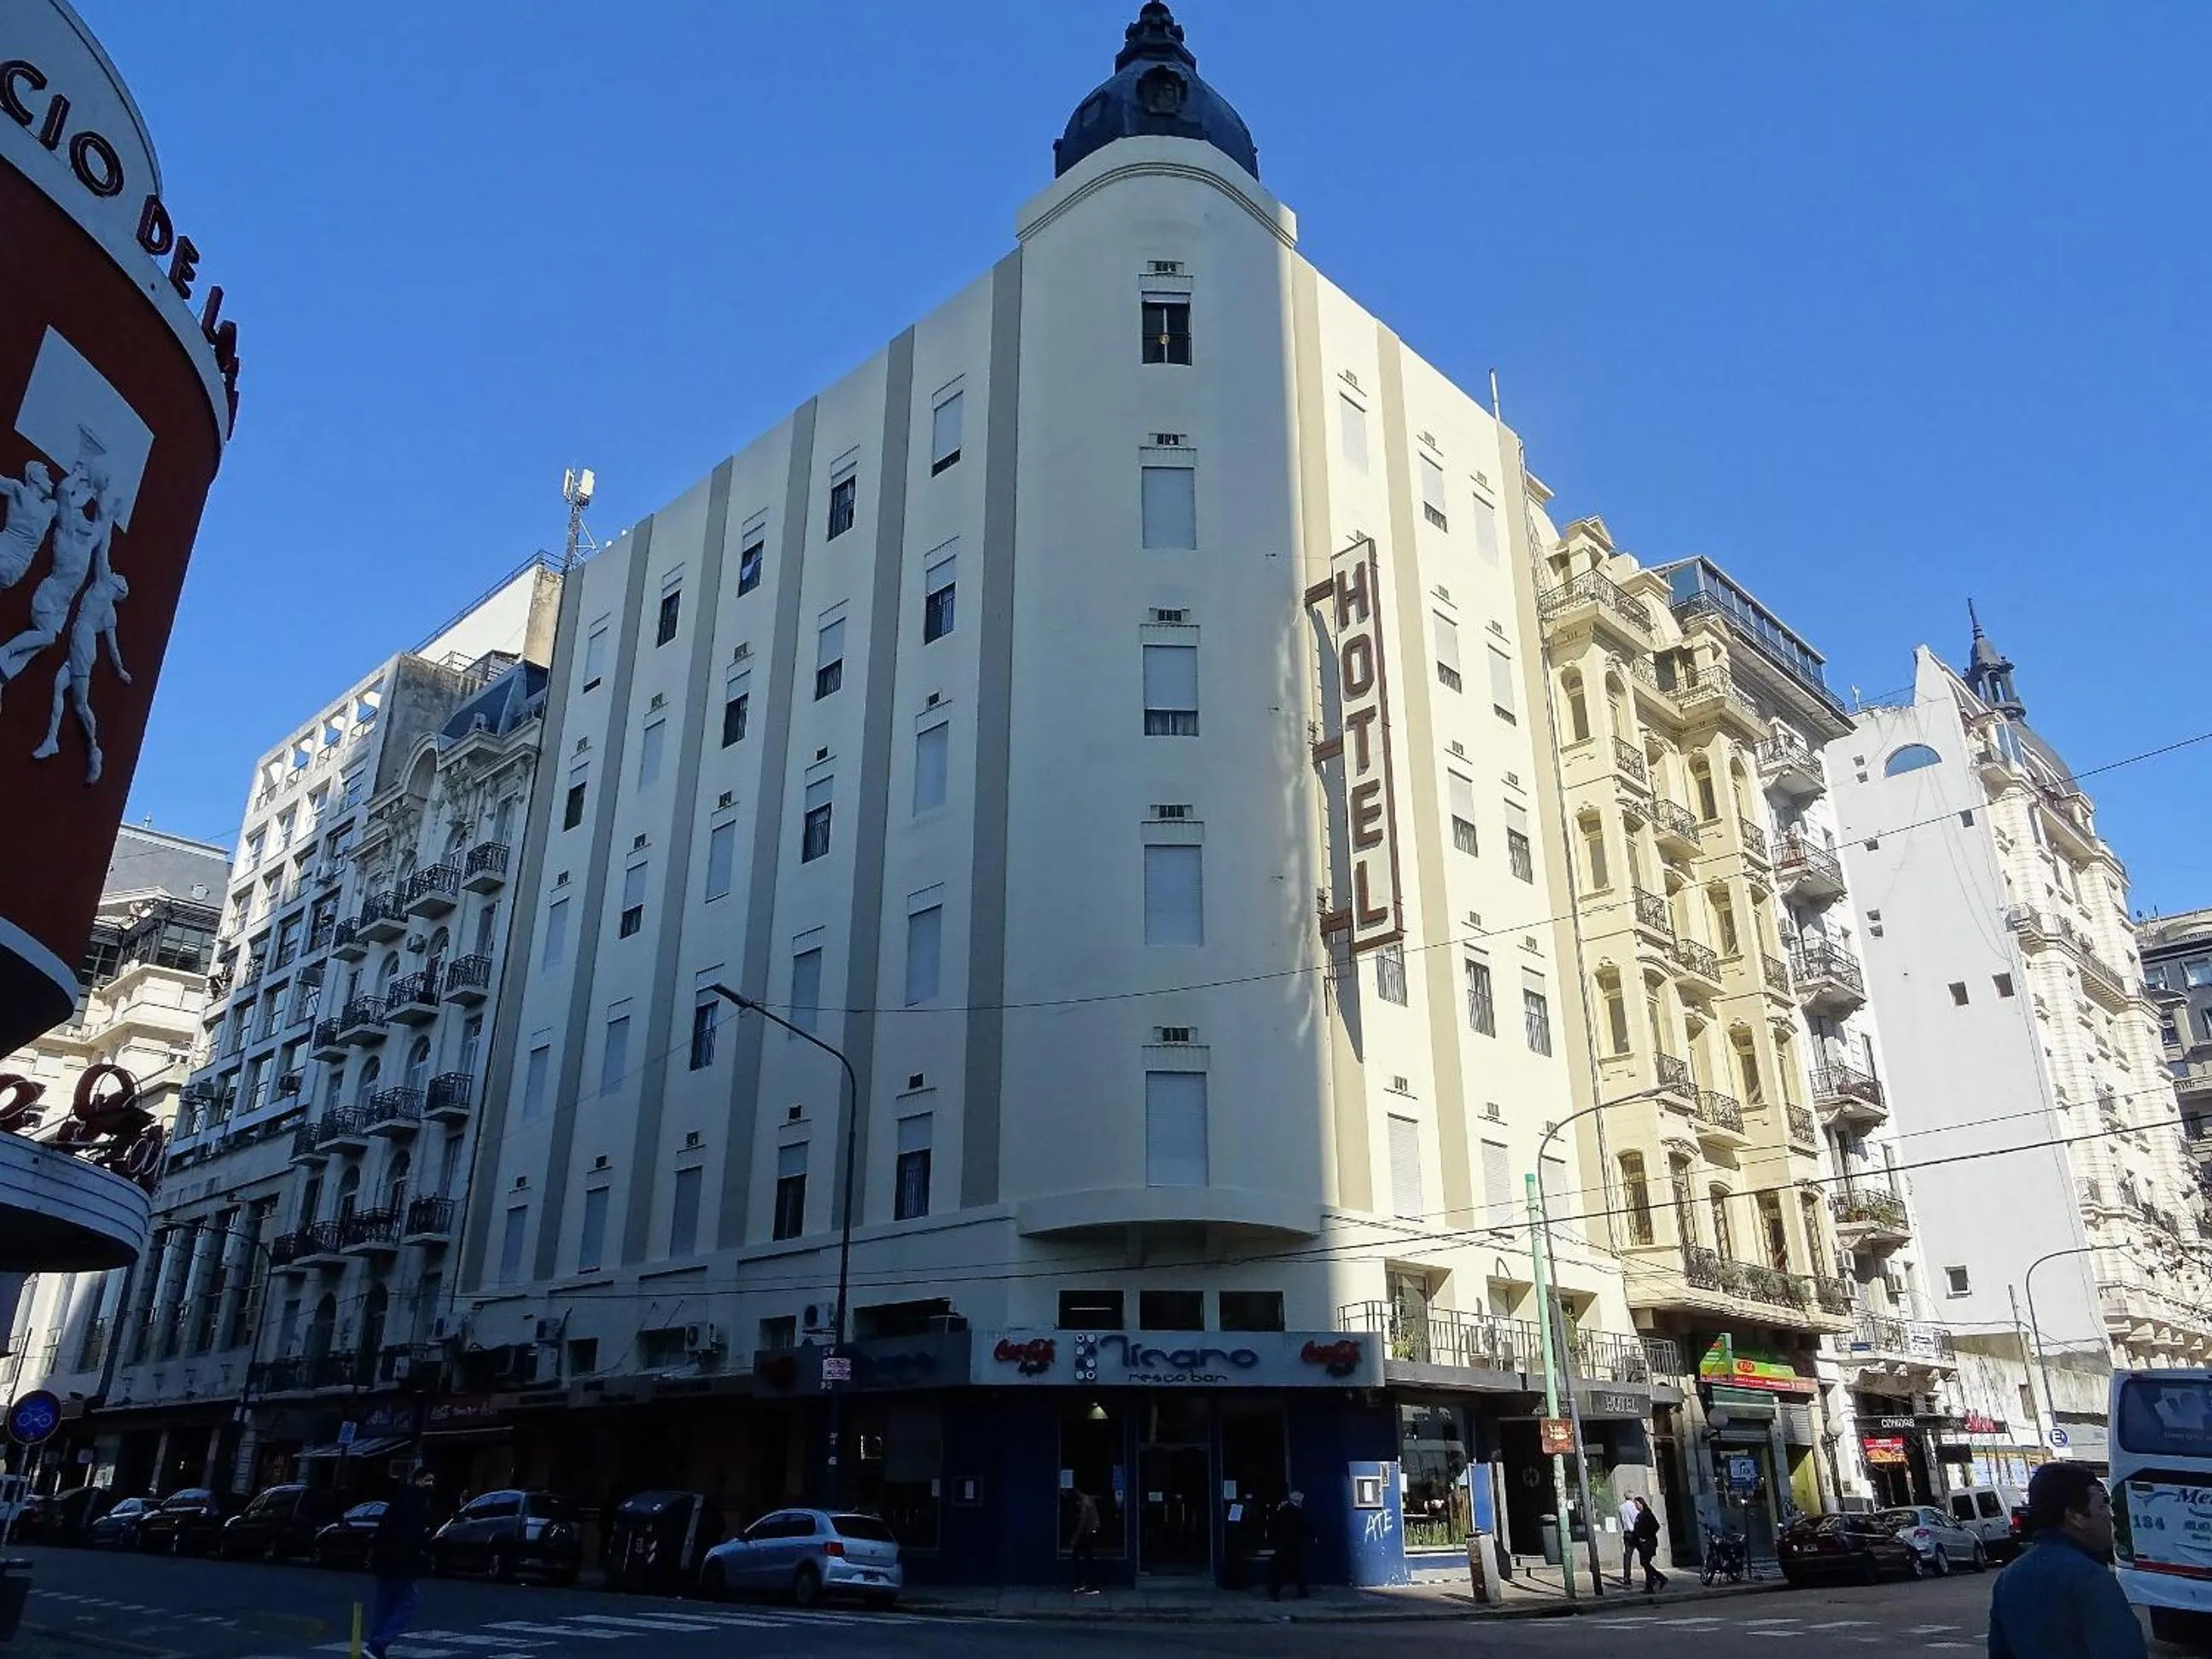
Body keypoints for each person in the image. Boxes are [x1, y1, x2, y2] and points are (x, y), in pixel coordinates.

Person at [1987, 1461, 2145, 1659]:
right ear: (2076, 1517)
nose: (2109, 1515)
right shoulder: (2091, 1578)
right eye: (2101, 1505)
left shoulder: (2008, 1578)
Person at [364, 1466, 437, 1659]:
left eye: (432, 1481)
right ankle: (378, 1644)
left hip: (386, 1561)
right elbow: (411, 1534)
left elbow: (385, 1528)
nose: (430, 1485)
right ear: (418, 1480)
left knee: (385, 1605)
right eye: (427, 1481)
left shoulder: (401, 1499)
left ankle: (374, 1646)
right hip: (401, 1562)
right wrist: (423, 1549)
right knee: (408, 1603)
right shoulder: (414, 1503)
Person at [1267, 1490, 1311, 1601]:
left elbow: (1271, 1527)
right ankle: (1302, 1593)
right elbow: (1304, 1527)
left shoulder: (1279, 1512)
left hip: (1281, 1545)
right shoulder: (1298, 1512)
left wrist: (1274, 1542)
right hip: (1295, 1545)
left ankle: (1274, 1593)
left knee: (1279, 1571)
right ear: (1298, 1501)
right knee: (1299, 1570)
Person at [1631, 1495, 1667, 1593]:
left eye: (1637, 1503)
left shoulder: (1647, 1514)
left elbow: (1656, 1526)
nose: (1636, 1506)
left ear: (1641, 1503)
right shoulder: (1641, 1515)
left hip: (1648, 1543)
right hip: (1643, 1543)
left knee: (1645, 1563)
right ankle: (1650, 1586)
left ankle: (1659, 1578)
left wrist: (1646, 1535)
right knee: (1645, 1564)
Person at [1069, 1487, 1102, 1595]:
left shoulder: (1084, 1501)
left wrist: (1075, 1537)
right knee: (1088, 1558)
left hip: (1087, 1533)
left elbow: (1082, 1521)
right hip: (1091, 1532)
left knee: (1081, 1557)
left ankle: (1085, 1584)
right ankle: (1088, 1584)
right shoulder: (1090, 1499)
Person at [1617, 1491, 1642, 1588]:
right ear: (1632, 1497)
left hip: (1626, 1532)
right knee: (1644, 1554)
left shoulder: (1621, 1507)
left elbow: (1621, 1521)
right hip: (1635, 1533)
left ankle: (1626, 1577)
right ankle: (1652, 1575)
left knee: (1627, 1556)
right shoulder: (1633, 1507)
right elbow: (1636, 1519)